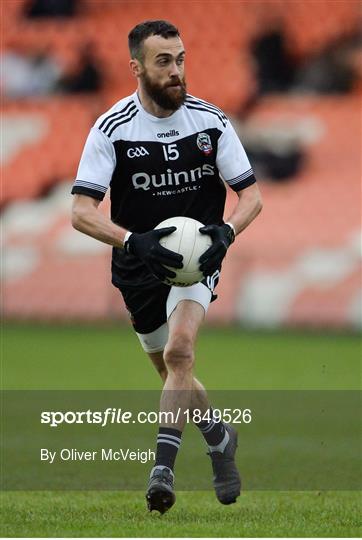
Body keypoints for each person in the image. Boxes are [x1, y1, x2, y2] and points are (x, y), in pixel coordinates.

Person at [71, 20, 262, 514]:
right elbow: (81, 212)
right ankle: (220, 437)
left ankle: (162, 472)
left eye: (180, 59)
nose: (176, 71)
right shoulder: (111, 128)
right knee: (169, 370)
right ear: (136, 67)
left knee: (180, 353)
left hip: (197, 263)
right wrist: (134, 241)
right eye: (163, 61)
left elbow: (252, 197)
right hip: (138, 265)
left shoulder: (211, 121)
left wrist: (227, 232)